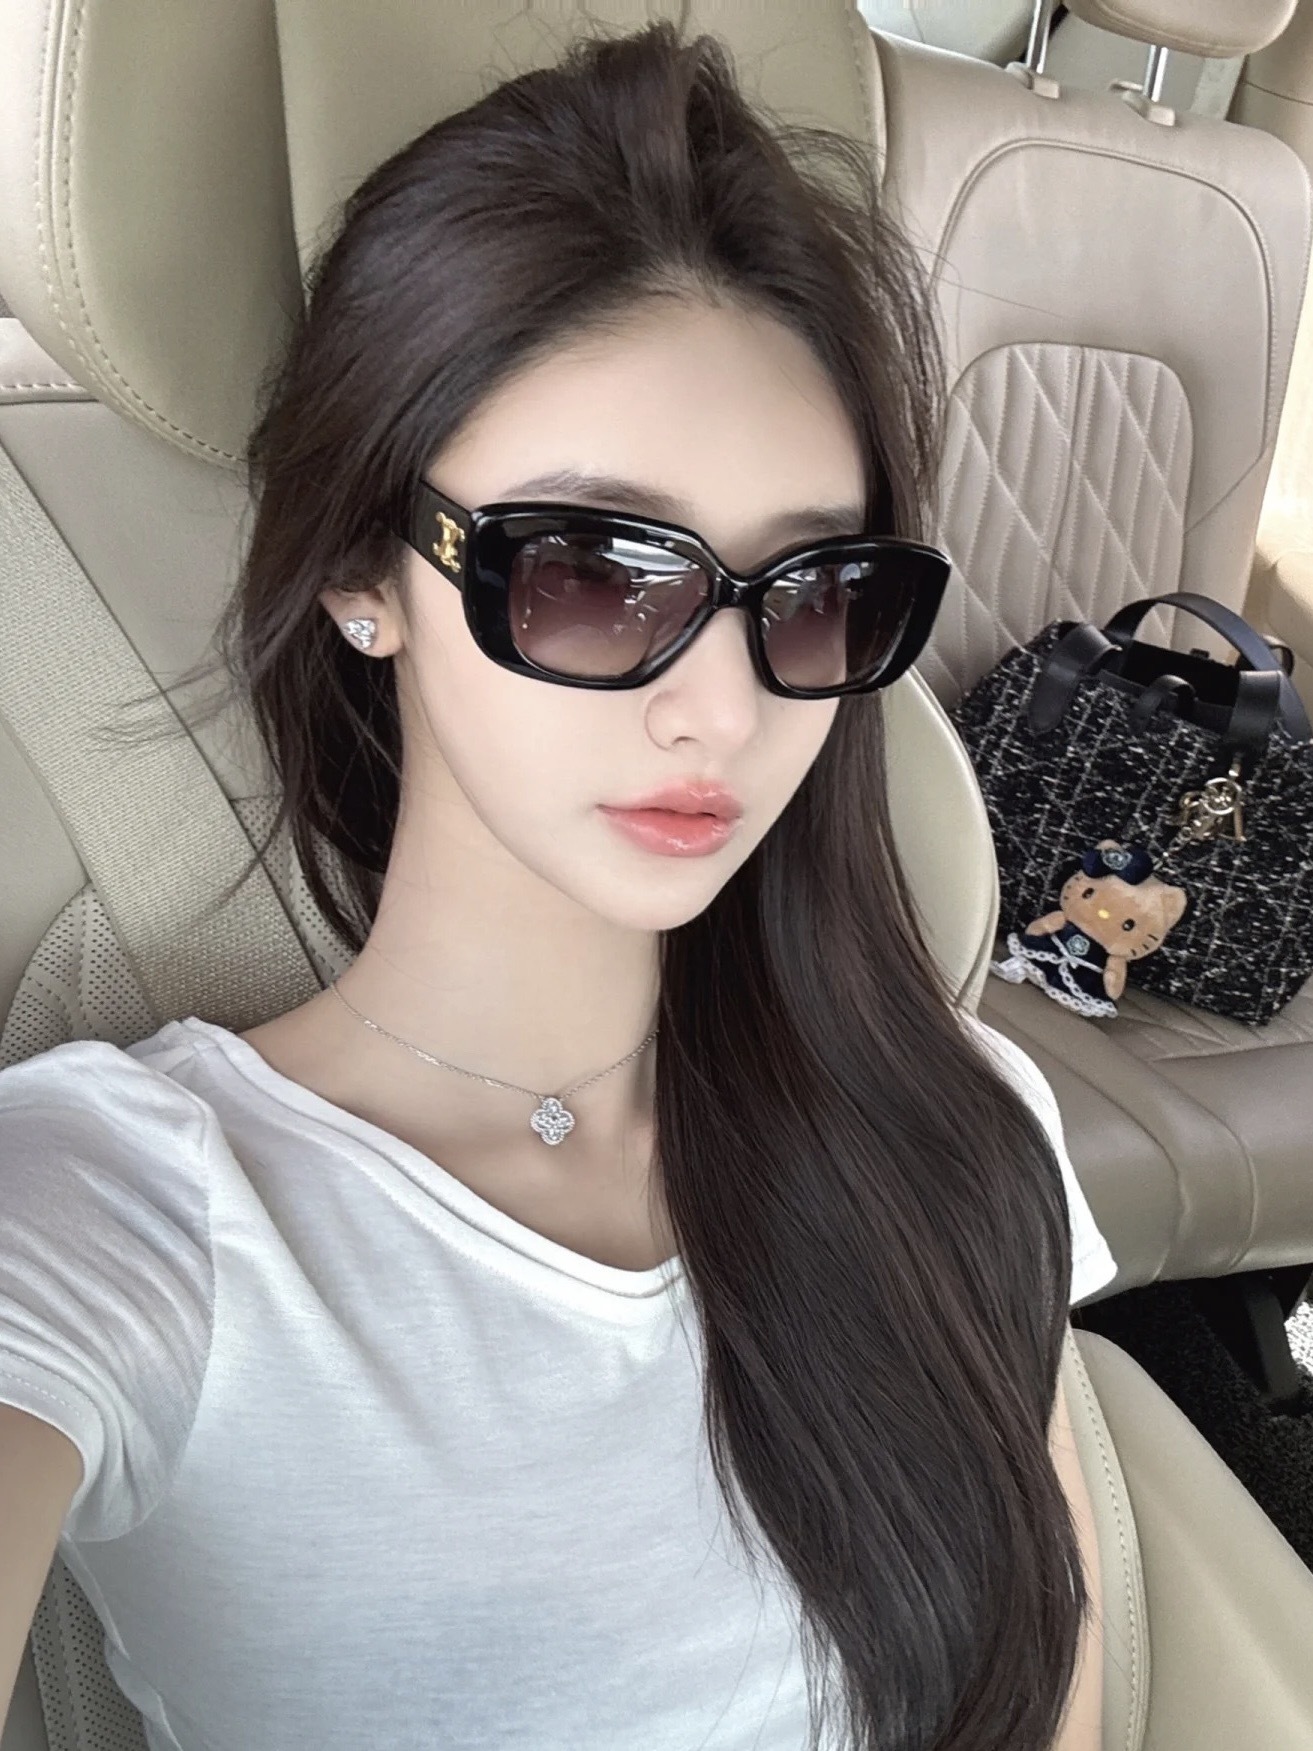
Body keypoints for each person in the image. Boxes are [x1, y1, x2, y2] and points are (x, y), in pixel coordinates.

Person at [0, 20, 1117, 1751]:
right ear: (364, 570)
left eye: (811, 589)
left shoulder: (959, 1119)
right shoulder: (121, 1217)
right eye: (593, 571)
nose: (722, 709)